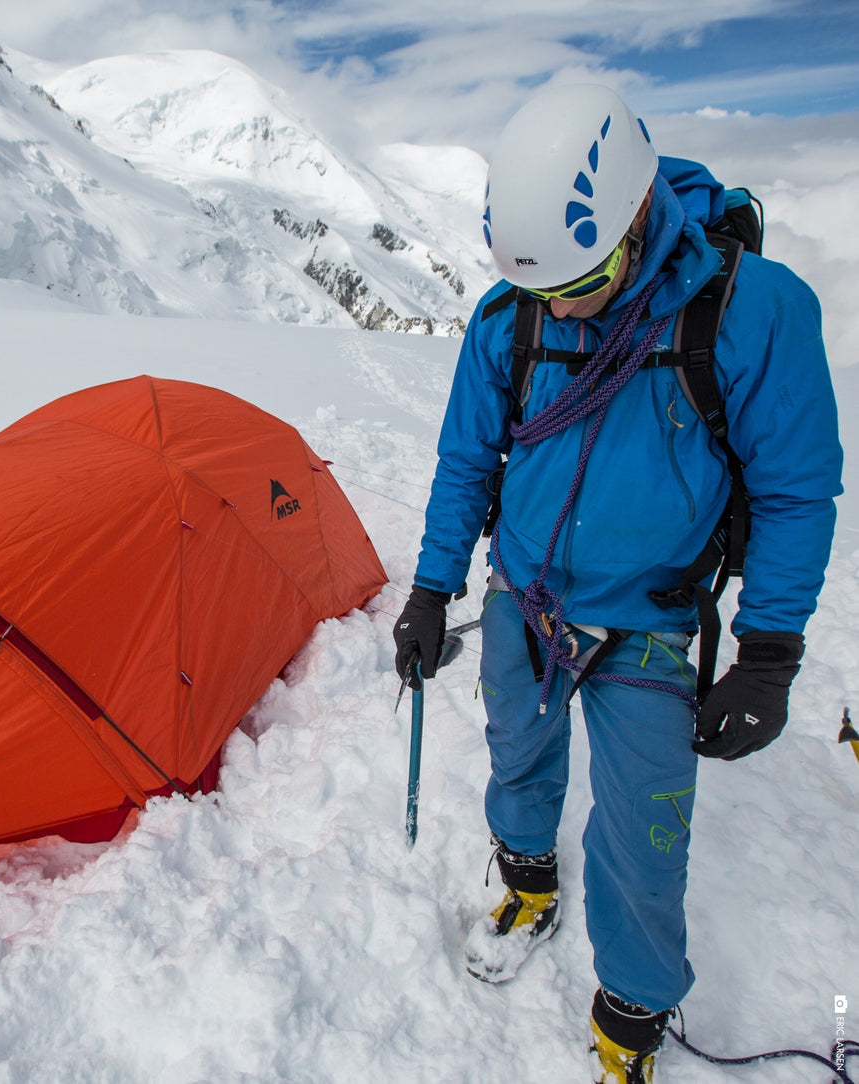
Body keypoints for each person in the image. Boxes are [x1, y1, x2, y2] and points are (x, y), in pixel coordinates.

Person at [392, 83, 842, 1083]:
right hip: (524, 593)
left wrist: (767, 653)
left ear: (637, 211)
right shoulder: (508, 318)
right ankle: (524, 877)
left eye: (579, 281)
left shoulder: (751, 313)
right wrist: (431, 588)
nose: (561, 307)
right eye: (542, 288)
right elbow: (467, 459)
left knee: (645, 825)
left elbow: (794, 492)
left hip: (646, 618)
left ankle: (630, 1016)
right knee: (516, 746)